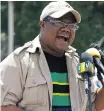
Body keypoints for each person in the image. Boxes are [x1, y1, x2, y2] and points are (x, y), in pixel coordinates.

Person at [0, 1, 104, 111]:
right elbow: (4, 106)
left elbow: (94, 104)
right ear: (42, 25)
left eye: (71, 25)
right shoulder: (19, 61)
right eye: (59, 22)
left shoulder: (77, 63)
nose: (66, 28)